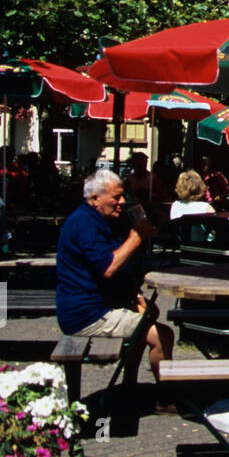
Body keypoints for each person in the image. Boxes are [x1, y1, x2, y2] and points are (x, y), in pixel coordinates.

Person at [55, 169, 175, 408]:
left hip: (96, 306)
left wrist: (135, 294)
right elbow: (109, 267)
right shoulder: (84, 224)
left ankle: (129, 386)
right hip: (87, 315)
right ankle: (167, 398)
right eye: (116, 197)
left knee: (148, 314)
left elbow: (116, 268)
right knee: (163, 335)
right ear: (95, 198)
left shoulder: (98, 220)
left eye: (123, 196)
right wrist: (137, 236)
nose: (122, 202)